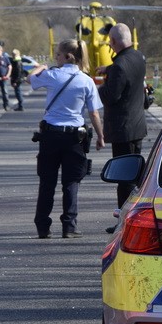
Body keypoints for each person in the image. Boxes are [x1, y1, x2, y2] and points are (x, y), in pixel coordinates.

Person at [29, 38, 105, 239]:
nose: (56, 58)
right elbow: (94, 113)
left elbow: (30, 80)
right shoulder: (86, 80)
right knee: (71, 182)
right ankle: (69, 226)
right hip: (75, 137)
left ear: (68, 56)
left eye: (58, 55)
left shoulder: (53, 75)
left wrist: (39, 68)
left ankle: (43, 226)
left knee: (47, 182)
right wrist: (100, 136)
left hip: (50, 136)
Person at [97, 23, 148, 230]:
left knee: (123, 178)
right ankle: (133, 219)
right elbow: (126, 69)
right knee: (135, 178)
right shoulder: (138, 57)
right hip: (137, 126)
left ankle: (124, 223)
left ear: (115, 42)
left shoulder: (119, 65)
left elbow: (110, 95)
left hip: (122, 129)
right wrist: (108, 69)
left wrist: (97, 87)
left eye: (110, 41)